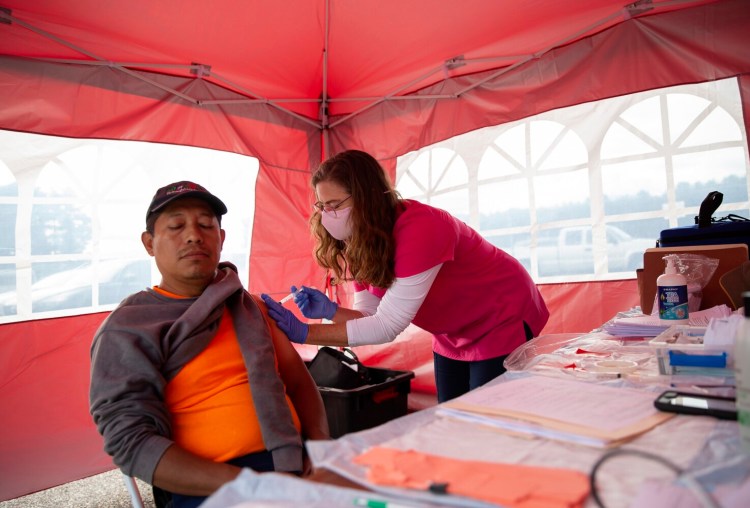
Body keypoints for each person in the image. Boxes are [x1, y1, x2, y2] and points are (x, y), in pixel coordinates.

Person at [89, 181, 329, 508]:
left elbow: (299, 381)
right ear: (149, 243)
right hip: (210, 486)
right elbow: (132, 443)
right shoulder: (129, 328)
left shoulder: (249, 307)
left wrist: (320, 448)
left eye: (206, 225)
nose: (193, 235)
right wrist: (251, 486)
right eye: (176, 226)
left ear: (221, 238)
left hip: (292, 465)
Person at [261, 150, 549, 403]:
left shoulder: (422, 228)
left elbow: (386, 326)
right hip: (452, 331)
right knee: (451, 415)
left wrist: (304, 333)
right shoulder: (361, 241)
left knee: (488, 418)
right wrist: (332, 311)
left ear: (367, 198)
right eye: (322, 205)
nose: (327, 214)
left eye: (335, 204)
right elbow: (371, 314)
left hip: (500, 314)